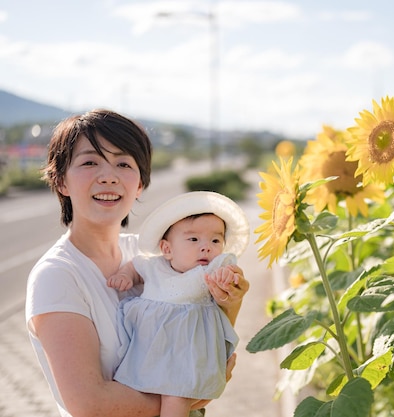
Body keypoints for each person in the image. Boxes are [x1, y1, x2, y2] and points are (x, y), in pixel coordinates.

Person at [25, 109, 250, 417]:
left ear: (141, 184)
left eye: (123, 163)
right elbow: (90, 404)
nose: (109, 176)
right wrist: (190, 396)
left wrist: (231, 299)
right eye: (90, 162)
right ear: (61, 180)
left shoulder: (151, 254)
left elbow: (198, 327)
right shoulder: (57, 276)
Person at [106, 191, 250, 417]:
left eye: (215, 240)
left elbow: (231, 272)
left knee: (177, 394)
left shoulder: (212, 269)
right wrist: (126, 276)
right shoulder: (154, 266)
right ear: (167, 249)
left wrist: (228, 277)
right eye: (194, 239)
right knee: (140, 387)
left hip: (188, 353)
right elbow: (135, 267)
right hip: (151, 349)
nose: (206, 247)